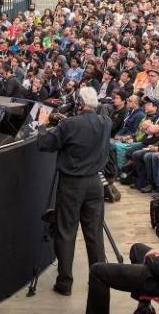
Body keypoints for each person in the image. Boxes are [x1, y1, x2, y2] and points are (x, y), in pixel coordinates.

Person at [36, 86, 111, 296]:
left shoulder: (69, 124)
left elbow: (46, 144)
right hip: (95, 184)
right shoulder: (106, 123)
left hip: (72, 185)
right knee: (94, 234)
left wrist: (42, 125)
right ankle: (100, 281)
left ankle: (65, 282)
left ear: (78, 104)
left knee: (66, 232)